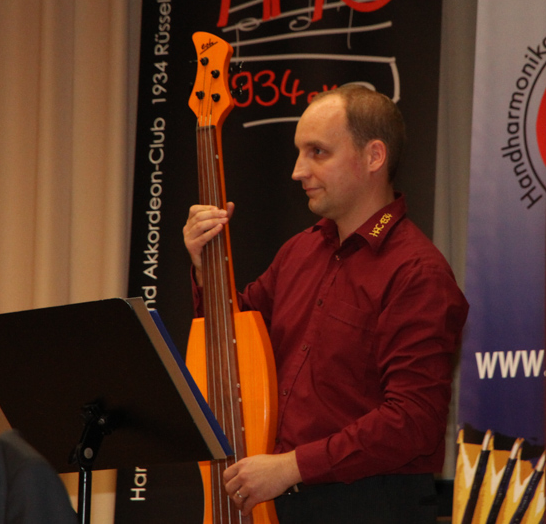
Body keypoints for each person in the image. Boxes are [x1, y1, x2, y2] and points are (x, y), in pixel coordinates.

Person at [183, 84, 469, 523]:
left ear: (374, 157)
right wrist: (207, 269)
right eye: (300, 153)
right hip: (280, 501)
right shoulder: (299, 251)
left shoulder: (417, 272)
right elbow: (233, 342)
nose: (298, 171)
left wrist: (291, 466)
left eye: (317, 152)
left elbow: (413, 420)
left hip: (368, 506)